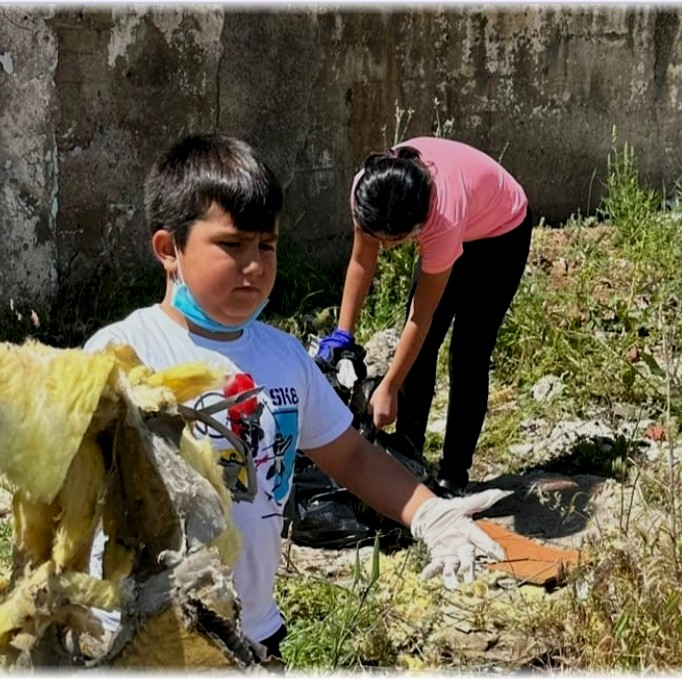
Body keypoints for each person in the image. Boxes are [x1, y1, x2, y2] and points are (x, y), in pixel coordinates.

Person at [83, 133, 508, 665]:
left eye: (267, 245)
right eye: (232, 245)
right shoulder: (126, 353)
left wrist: (429, 514)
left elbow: (350, 455)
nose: (255, 265)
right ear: (170, 250)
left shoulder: (285, 359)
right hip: (140, 630)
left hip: (252, 627)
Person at [317, 137, 535, 499]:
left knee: (469, 353)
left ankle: (453, 477)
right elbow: (361, 260)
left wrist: (387, 387)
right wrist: (343, 334)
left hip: (501, 233)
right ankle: (408, 455)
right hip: (464, 219)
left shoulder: (441, 217)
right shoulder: (371, 190)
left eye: (394, 240)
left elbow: (422, 316)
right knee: (419, 354)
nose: (385, 247)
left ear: (417, 226)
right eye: (381, 238)